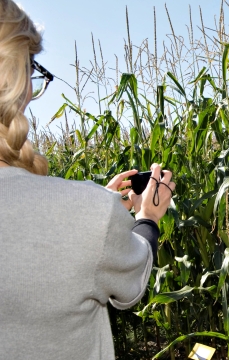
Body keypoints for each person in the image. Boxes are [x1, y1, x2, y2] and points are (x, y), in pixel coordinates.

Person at [0, 0, 175, 358]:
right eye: (32, 69)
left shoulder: (86, 209)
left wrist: (100, 205)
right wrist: (147, 219)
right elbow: (129, 283)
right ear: (17, 81)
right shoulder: (86, 211)